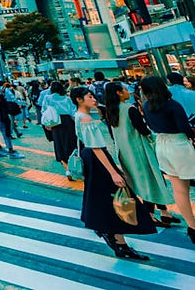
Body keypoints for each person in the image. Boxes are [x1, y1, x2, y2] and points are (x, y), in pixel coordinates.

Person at [71, 86, 155, 259]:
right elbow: (97, 147)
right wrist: (113, 172)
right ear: (79, 100)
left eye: (93, 96)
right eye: (89, 96)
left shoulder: (79, 116)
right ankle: (118, 240)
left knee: (106, 198)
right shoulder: (85, 118)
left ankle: (114, 236)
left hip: (93, 159)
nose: (94, 99)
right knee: (118, 197)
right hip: (98, 159)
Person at [104, 82, 178, 228]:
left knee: (147, 181)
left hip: (125, 152)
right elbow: (143, 130)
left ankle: (165, 213)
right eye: (125, 89)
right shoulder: (129, 109)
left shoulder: (110, 111)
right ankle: (150, 215)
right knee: (151, 181)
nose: (128, 92)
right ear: (119, 93)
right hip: (140, 150)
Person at [140, 75, 195, 244]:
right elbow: (185, 128)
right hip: (179, 145)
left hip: (162, 145)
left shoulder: (146, 106)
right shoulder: (172, 105)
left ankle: (192, 227)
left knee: (179, 189)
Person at [41, 81, 78, 180]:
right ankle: (74, 165)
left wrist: (47, 124)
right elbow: (73, 111)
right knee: (71, 144)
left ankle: (67, 170)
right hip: (68, 122)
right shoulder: (67, 99)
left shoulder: (48, 98)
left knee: (59, 145)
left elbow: (44, 110)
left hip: (56, 123)